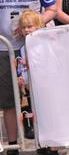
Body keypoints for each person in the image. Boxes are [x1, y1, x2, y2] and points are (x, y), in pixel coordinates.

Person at [0, 0, 57, 155]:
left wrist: (34, 25)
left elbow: (52, 8)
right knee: (7, 102)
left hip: (32, 49)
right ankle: (12, 149)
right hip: (4, 50)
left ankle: (46, 148)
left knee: (39, 98)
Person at [15, 10, 46, 140]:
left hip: (42, 84)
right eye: (24, 27)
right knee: (29, 107)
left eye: (30, 27)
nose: (27, 30)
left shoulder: (44, 44)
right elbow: (21, 63)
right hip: (28, 86)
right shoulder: (23, 48)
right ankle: (31, 128)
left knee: (43, 110)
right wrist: (20, 75)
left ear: (38, 26)